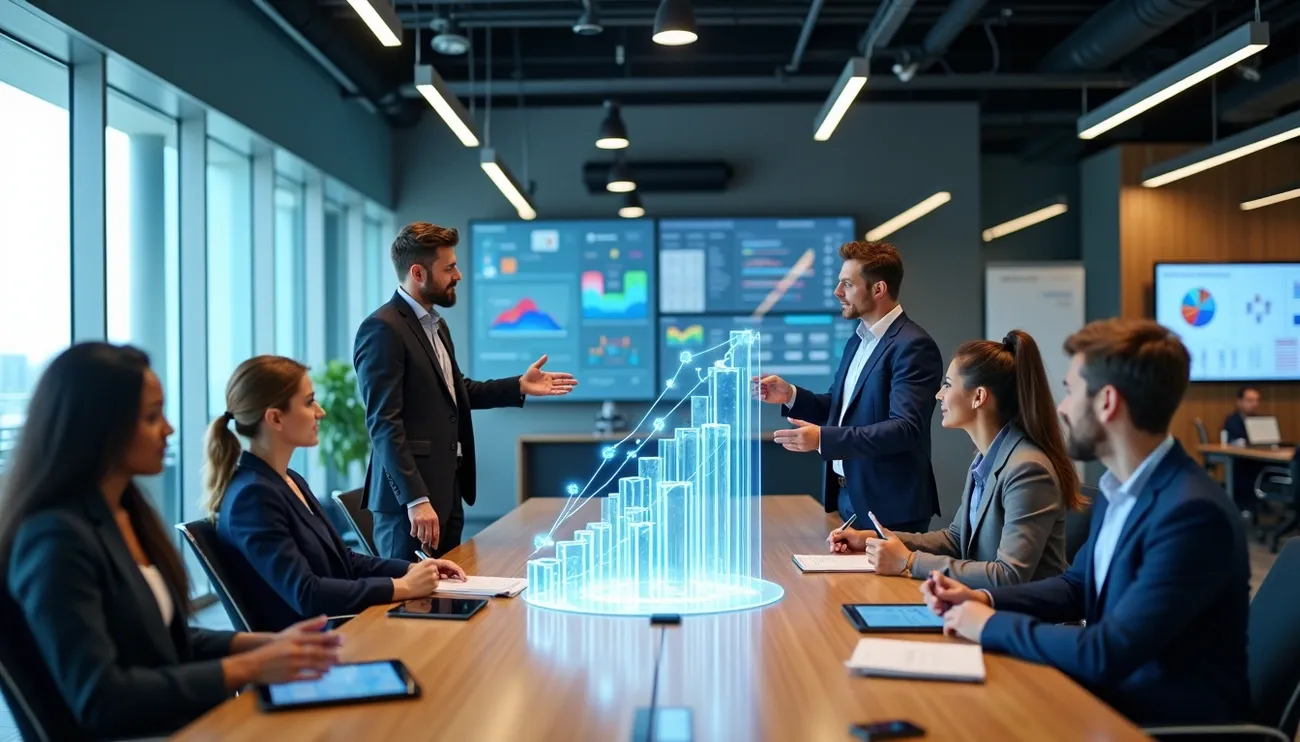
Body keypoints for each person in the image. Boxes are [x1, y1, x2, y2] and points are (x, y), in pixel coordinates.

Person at [0, 343, 342, 740]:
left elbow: (164, 640)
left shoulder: (124, 513)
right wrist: (250, 666)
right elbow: (101, 698)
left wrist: (269, 644)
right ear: (98, 427)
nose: (169, 428)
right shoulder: (55, 538)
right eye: (150, 417)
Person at [923, 319, 1250, 728]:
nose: (1060, 407)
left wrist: (991, 626)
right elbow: (1076, 587)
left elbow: (1107, 651)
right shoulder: (1122, 490)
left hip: (1152, 722)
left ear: (1107, 401)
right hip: (1107, 700)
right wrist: (985, 600)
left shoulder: (1191, 514)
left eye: (1072, 391)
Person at [354, 222, 578, 560]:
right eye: (449, 268)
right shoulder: (383, 329)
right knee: (407, 608)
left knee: (449, 600)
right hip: (411, 509)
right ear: (418, 272)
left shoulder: (435, 325)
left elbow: (456, 392)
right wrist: (416, 499)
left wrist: (518, 385)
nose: (458, 275)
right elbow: (384, 422)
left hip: (446, 494)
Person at [206, 355, 467, 632]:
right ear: (275, 418)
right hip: (312, 649)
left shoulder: (287, 480)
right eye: (308, 402)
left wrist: (410, 570)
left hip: (339, 629)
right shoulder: (253, 497)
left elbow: (345, 561)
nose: (320, 411)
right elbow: (307, 594)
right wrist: (401, 587)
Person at [828, 330, 1084, 588]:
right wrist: (876, 538)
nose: (939, 394)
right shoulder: (986, 458)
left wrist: (909, 562)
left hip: (1022, 619)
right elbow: (956, 539)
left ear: (979, 397)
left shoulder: (1027, 468)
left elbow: (1009, 575)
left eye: (948, 385)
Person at [759, 240, 942, 532]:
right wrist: (791, 395)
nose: (837, 292)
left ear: (878, 289)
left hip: (890, 507)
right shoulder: (858, 340)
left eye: (847, 284)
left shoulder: (913, 346)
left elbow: (905, 429)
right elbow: (841, 407)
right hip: (850, 498)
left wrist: (823, 439)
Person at [1223, 386, 1264, 509]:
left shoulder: (1259, 421)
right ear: (1239, 402)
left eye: (1257, 400)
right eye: (1250, 400)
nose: (1254, 404)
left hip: (1260, 460)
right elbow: (1236, 442)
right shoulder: (1233, 420)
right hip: (1242, 463)